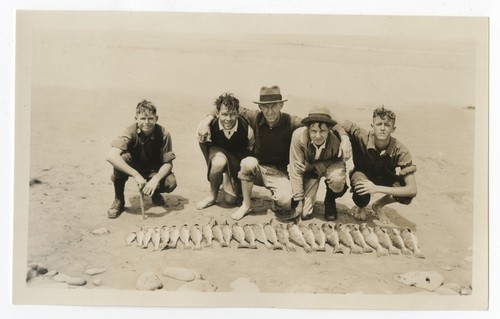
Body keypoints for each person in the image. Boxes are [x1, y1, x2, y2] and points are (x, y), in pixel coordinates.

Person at [198, 85, 352, 221]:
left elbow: (322, 120)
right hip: (257, 169)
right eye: (265, 107)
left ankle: (276, 200)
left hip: (279, 173)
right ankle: (246, 204)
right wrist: (207, 120)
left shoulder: (292, 121)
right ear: (260, 108)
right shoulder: (254, 116)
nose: (269, 111)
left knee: (286, 203)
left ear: (281, 105)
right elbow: (226, 107)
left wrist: (344, 137)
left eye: (273, 106)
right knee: (247, 164)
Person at [343, 105, 417, 224]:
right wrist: (344, 138)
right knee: (361, 188)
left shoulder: (401, 150)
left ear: (393, 129)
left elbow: (412, 189)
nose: (382, 128)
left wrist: (376, 188)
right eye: (379, 124)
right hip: (362, 174)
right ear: (372, 127)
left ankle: (378, 205)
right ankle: (360, 206)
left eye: (387, 125)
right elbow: (337, 121)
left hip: (384, 177)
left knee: (406, 196)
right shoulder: (361, 136)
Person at [105, 100, 177, 219]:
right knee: (121, 158)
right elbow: (111, 155)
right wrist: (135, 174)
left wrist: (156, 179)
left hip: (153, 169)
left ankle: (154, 192)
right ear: (136, 118)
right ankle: (119, 199)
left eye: (150, 118)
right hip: (135, 166)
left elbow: (168, 163)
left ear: (156, 118)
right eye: (143, 118)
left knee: (170, 183)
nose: (146, 122)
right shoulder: (130, 131)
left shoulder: (164, 133)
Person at [197, 93, 255, 210]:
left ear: (238, 114)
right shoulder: (206, 127)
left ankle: (228, 181)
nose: (228, 119)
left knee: (230, 201)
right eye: (224, 114)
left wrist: (236, 174)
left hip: (236, 158)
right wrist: (211, 166)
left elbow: (249, 152)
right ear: (217, 113)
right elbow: (203, 146)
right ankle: (212, 195)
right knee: (218, 163)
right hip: (218, 153)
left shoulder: (247, 130)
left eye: (232, 114)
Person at [289, 106, 348, 221]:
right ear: (307, 128)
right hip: (310, 171)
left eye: (322, 131)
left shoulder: (337, 141)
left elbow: (340, 161)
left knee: (337, 180)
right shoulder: (298, 136)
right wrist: (298, 199)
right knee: (305, 214)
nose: (318, 136)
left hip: (327, 166)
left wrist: (345, 138)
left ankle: (330, 200)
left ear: (330, 129)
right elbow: (295, 169)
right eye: (314, 131)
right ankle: (301, 198)